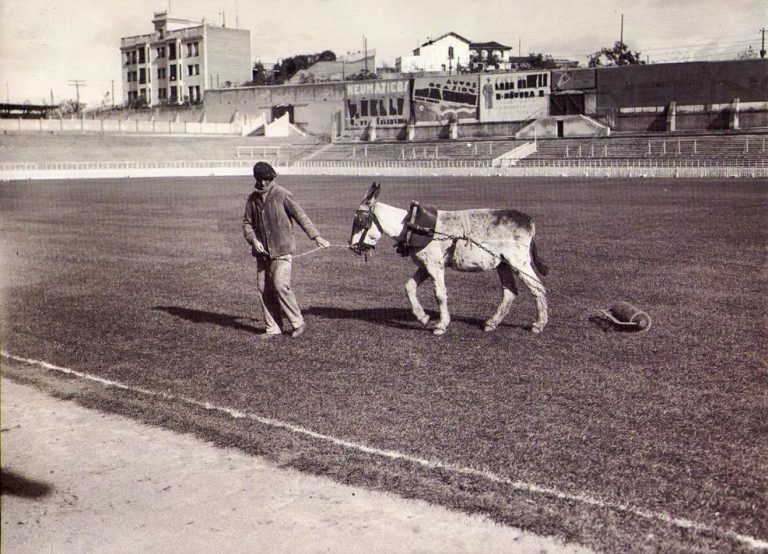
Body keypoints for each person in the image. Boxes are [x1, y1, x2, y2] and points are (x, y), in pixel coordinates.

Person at [243, 162, 330, 339]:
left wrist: (316, 237)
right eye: (261, 179)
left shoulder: (282, 195)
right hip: (262, 253)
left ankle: (298, 322)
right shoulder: (252, 199)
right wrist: (253, 240)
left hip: (282, 249)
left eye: (268, 179)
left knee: (280, 284)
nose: (264, 183)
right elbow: (247, 224)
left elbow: (301, 216)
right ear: (256, 179)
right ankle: (273, 327)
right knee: (263, 288)